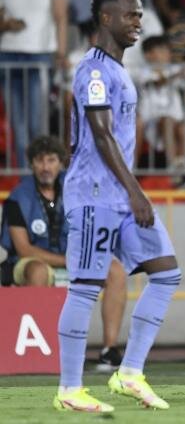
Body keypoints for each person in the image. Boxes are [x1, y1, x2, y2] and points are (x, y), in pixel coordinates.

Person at [53, 0, 180, 413]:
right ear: (106, 19)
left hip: (122, 196)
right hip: (94, 196)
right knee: (86, 287)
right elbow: (102, 135)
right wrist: (136, 191)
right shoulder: (92, 71)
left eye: (140, 14)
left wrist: (131, 194)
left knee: (165, 272)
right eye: (130, 15)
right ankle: (69, 389)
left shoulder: (120, 69)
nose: (138, 22)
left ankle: (129, 374)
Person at [0, 135, 127, 370]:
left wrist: (86, 258)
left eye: (51, 160)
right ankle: (44, 352)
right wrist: (69, 262)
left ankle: (109, 350)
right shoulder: (17, 198)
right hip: (31, 262)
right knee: (37, 271)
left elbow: (92, 230)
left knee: (115, 270)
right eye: (40, 161)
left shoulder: (78, 191)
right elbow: (24, 249)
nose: (45, 167)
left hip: (75, 259)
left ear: (61, 163)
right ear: (31, 165)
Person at [0, 0, 68, 168]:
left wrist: (61, 51)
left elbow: (60, 17)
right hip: (8, 55)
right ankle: (23, 172)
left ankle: (42, 170)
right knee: (17, 122)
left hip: (39, 55)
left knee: (37, 121)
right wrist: (7, 25)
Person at [135, 35, 185, 179]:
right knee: (166, 120)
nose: (167, 54)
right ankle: (174, 170)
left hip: (176, 121)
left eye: (167, 50)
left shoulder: (175, 69)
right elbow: (155, 83)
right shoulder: (143, 72)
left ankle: (182, 169)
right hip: (151, 122)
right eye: (161, 50)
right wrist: (176, 77)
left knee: (184, 127)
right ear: (148, 55)